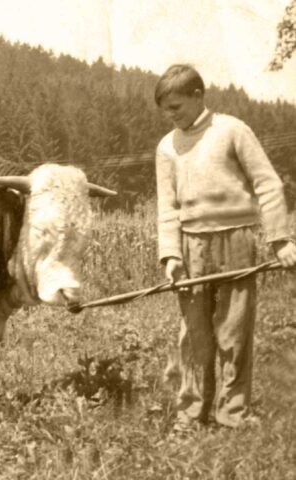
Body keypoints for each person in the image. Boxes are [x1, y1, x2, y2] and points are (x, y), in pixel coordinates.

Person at [154, 64, 296, 430]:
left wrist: (280, 239)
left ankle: (232, 413)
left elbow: (267, 184)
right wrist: (171, 255)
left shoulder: (232, 130)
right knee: (194, 336)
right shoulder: (167, 146)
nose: (171, 116)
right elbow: (167, 207)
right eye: (165, 110)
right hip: (190, 248)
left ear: (198, 96)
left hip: (235, 240)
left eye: (176, 107)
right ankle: (191, 413)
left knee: (234, 332)